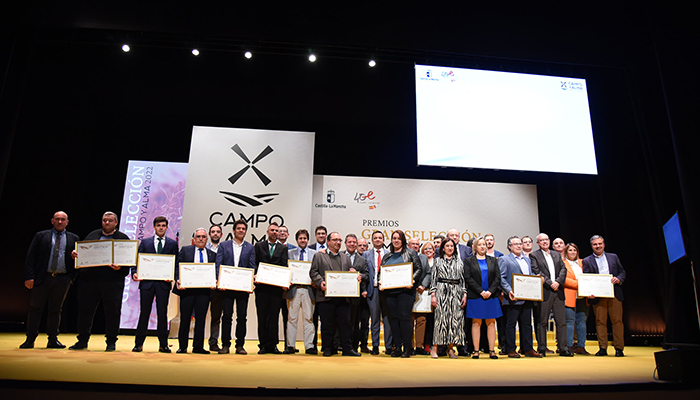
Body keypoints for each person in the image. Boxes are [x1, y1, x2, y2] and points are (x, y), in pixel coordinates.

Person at [69, 211, 130, 351]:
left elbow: (128, 262)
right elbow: (82, 253)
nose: (106, 223)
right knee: (85, 311)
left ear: (116, 223)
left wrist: (120, 267)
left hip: (112, 281)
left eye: (110, 221)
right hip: (89, 281)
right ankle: (82, 340)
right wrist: (76, 254)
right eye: (104, 220)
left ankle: (111, 342)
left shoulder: (123, 238)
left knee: (112, 312)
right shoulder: (92, 235)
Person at [20, 211, 80, 349]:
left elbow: (78, 260)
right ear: (52, 221)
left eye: (63, 219)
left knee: (56, 310)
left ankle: (53, 339)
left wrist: (71, 278)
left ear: (67, 222)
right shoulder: (41, 236)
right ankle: (30, 339)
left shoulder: (74, 238)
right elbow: (31, 257)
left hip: (62, 279)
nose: (60, 222)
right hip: (43, 278)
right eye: (57, 219)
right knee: (35, 309)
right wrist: (29, 277)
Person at [309, 232, 362, 357]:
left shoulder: (345, 257)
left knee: (345, 324)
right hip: (325, 296)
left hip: (343, 297)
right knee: (327, 324)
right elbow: (313, 272)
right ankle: (328, 348)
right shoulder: (319, 256)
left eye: (339, 240)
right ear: (328, 242)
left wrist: (355, 274)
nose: (338, 242)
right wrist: (320, 282)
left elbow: (350, 273)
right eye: (335, 240)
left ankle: (347, 349)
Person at [131, 216, 178, 353]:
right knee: (144, 313)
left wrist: (173, 277)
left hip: (163, 284)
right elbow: (137, 260)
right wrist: (134, 272)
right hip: (147, 283)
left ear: (167, 227)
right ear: (154, 227)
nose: (161, 228)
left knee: (162, 314)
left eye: (163, 225)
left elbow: (175, 264)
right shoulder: (145, 242)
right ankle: (138, 344)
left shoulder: (172, 244)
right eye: (158, 225)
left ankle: (163, 344)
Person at [213, 219, 255, 354]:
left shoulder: (250, 247)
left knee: (242, 317)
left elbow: (252, 267)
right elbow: (218, 265)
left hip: (243, 288)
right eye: (239, 228)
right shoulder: (223, 245)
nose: (241, 231)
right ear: (233, 230)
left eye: (243, 229)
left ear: (246, 231)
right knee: (226, 316)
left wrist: (251, 283)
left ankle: (240, 345)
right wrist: (220, 281)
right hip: (227, 287)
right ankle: (225, 345)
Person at [378, 230, 423, 358]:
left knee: (404, 318)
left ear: (403, 240)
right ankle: (397, 347)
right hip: (390, 292)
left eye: (398, 238)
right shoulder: (387, 256)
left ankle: (407, 348)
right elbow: (381, 273)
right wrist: (380, 282)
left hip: (406, 291)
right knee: (394, 319)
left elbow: (418, 268)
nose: (396, 240)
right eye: (394, 238)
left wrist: (412, 280)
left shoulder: (410, 253)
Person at [498, 236, 542, 358]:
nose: (519, 246)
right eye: (515, 244)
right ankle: (511, 349)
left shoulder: (527, 260)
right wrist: (509, 291)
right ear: (509, 246)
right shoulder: (504, 259)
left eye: (520, 244)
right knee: (511, 324)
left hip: (527, 297)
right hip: (513, 298)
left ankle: (528, 349)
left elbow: (529, 276)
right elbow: (501, 278)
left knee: (527, 324)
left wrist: (536, 279)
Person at [582, 235, 626, 357]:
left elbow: (622, 272)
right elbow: (586, 278)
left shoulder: (613, 257)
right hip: (597, 295)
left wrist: (618, 279)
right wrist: (588, 292)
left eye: (600, 244)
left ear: (604, 245)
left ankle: (619, 348)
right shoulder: (587, 260)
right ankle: (602, 348)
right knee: (600, 321)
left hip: (614, 293)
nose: (598, 246)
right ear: (592, 246)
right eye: (595, 244)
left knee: (617, 321)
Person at [174, 228, 216, 354]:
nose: (201, 239)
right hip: (187, 290)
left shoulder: (212, 255)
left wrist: (215, 281)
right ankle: (182, 346)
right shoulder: (185, 250)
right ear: (194, 238)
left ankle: (198, 347)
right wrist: (178, 279)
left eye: (203, 237)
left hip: (204, 292)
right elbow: (177, 267)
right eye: (198, 236)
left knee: (201, 319)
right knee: (185, 318)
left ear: (207, 239)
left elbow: (215, 272)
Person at [530, 233, 572, 356]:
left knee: (561, 322)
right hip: (545, 291)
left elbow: (563, 269)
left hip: (558, 292)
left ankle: (563, 348)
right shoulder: (534, 255)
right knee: (542, 322)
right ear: (538, 243)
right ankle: (542, 348)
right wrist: (550, 283)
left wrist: (558, 282)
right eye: (541, 240)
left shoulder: (556, 254)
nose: (544, 242)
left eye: (546, 239)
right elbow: (536, 271)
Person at [464, 236, 502, 359]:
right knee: (476, 323)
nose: (482, 247)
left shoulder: (493, 260)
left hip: (491, 296)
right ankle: (476, 350)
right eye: (480, 244)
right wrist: (481, 291)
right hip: (476, 296)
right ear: (475, 247)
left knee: (491, 323)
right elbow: (468, 278)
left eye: (484, 244)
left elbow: (497, 277)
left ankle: (491, 350)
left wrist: (490, 291)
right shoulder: (469, 261)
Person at [253, 222, 289, 354]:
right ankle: (263, 345)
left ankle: (273, 345)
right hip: (261, 287)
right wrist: (255, 274)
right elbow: (255, 263)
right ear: (267, 232)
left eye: (276, 231)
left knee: (274, 317)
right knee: (262, 316)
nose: (274, 232)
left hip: (276, 288)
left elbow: (284, 266)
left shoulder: (282, 248)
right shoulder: (259, 245)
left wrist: (285, 280)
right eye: (272, 230)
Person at [429, 238, 467, 359]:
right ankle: (435, 347)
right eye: (447, 246)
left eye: (452, 246)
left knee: (454, 321)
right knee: (440, 320)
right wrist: (433, 295)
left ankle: (451, 349)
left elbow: (463, 280)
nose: (450, 248)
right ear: (443, 248)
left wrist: (464, 294)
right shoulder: (438, 261)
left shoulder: (459, 262)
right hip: (441, 291)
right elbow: (433, 279)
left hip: (456, 292)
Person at [285, 229, 317, 354]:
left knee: (308, 318)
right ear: (297, 240)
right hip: (294, 289)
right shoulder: (289, 253)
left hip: (309, 289)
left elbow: (316, 271)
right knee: (292, 318)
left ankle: (309, 346)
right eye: (300, 238)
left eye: (304, 238)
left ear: (308, 240)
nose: (303, 240)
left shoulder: (314, 254)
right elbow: (286, 270)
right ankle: (290, 345)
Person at [363, 230, 390, 355]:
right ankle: (375, 345)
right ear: (372, 241)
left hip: (387, 291)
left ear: (383, 240)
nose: (378, 239)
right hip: (372, 290)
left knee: (387, 320)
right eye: (375, 238)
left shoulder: (389, 254)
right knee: (374, 320)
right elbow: (364, 272)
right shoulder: (365, 254)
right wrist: (364, 289)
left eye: (380, 238)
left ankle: (388, 346)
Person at [562, 242, 590, 355]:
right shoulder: (562, 263)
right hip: (569, 296)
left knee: (582, 322)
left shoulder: (583, 262)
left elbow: (590, 277)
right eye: (570, 250)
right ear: (566, 252)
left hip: (583, 296)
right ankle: (568, 346)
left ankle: (581, 346)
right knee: (569, 322)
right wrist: (580, 284)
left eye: (574, 250)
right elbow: (564, 279)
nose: (572, 252)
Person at [344, 234, 369, 353]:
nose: (352, 244)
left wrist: (360, 276)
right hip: (341, 294)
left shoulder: (362, 259)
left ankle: (352, 346)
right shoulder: (340, 256)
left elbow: (367, 275)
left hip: (356, 295)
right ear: (345, 243)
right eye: (350, 242)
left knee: (354, 321)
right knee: (341, 321)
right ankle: (339, 344)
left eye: (354, 242)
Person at [408, 238, 430, 355]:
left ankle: (419, 346)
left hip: (421, 291)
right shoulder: (404, 256)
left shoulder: (424, 258)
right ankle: (410, 346)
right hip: (407, 291)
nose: (415, 246)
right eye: (413, 244)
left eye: (417, 244)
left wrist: (423, 285)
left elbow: (428, 273)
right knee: (409, 320)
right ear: (408, 245)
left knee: (422, 319)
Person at [206, 224, 224, 352]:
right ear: (209, 234)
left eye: (218, 232)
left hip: (218, 288)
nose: (215, 234)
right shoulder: (202, 248)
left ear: (221, 235)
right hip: (204, 286)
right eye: (213, 232)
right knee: (199, 315)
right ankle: (197, 341)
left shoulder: (225, 248)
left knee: (216, 317)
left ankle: (213, 341)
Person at [417, 241, 437, 354]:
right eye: (426, 249)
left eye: (430, 248)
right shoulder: (420, 260)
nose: (428, 250)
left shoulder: (438, 261)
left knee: (433, 321)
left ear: (434, 251)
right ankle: (424, 344)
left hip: (436, 294)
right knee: (424, 320)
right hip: (423, 294)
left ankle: (434, 344)